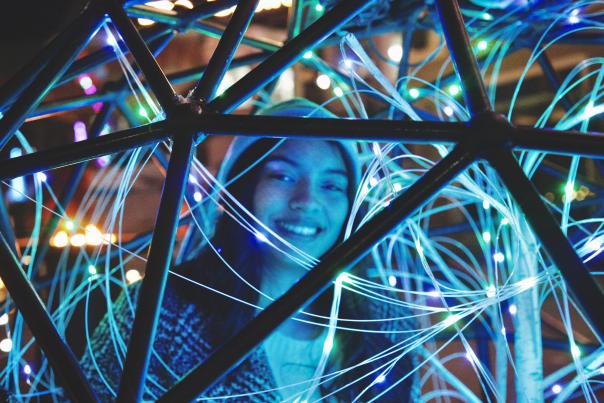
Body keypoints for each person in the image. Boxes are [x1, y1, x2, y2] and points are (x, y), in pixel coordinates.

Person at [80, 99, 419, 402]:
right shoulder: (160, 311)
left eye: (331, 185)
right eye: (283, 177)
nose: (306, 201)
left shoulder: (387, 327)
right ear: (245, 187)